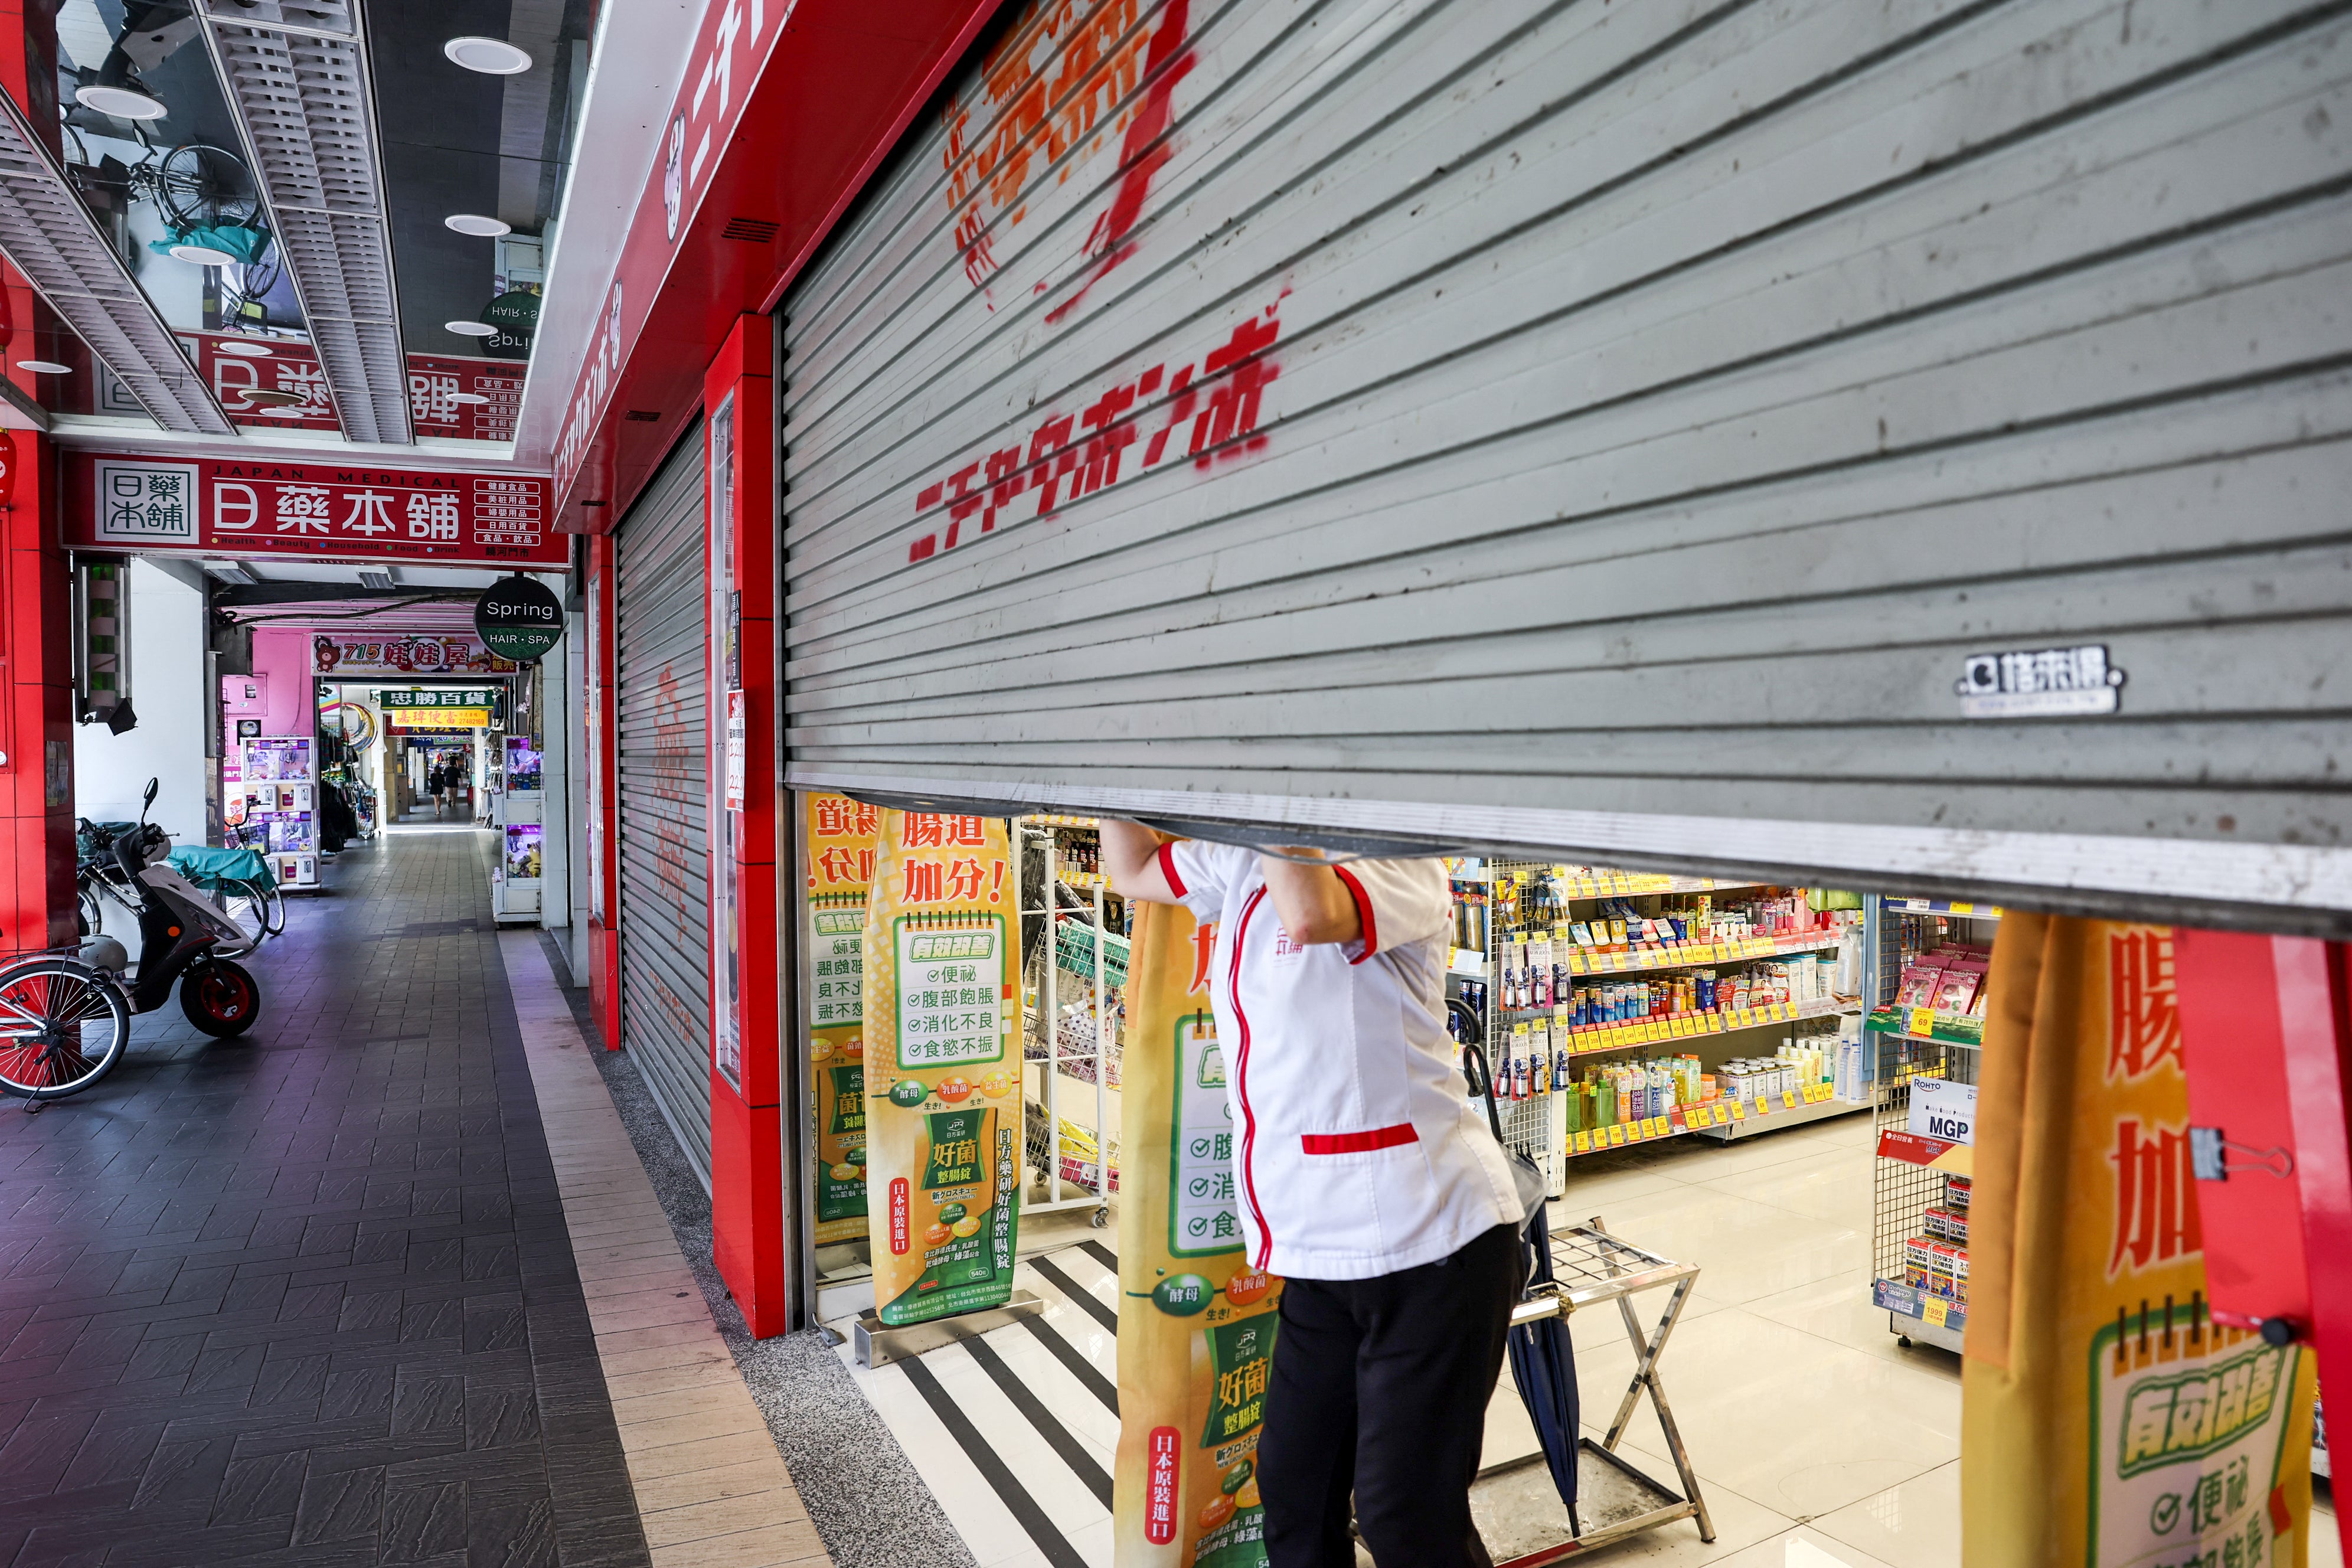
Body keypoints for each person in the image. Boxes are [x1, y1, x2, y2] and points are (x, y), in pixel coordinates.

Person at [1102, 822, 1525, 1568]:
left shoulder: (1400, 859)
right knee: (1295, 1492)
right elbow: (1132, 866)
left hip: (1431, 1247)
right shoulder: (1238, 858)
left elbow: (1312, 914)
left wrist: (1267, 770)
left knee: (1405, 1514)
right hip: (1318, 1256)